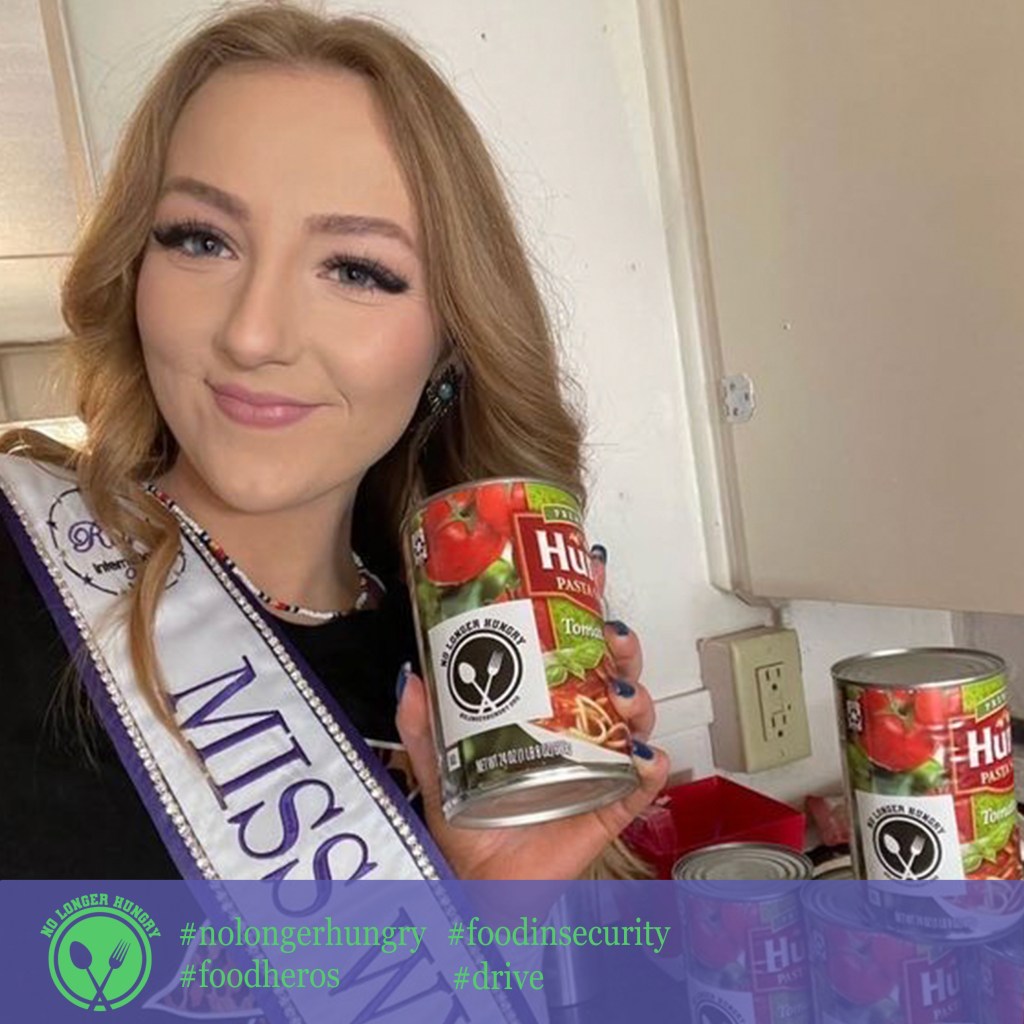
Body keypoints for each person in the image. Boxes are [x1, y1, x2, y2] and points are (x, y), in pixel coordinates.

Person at [0, 2, 667, 881]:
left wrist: (491, 914)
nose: (253, 335)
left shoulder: (466, 668)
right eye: (202, 240)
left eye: (355, 269)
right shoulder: (23, 558)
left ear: (452, 344)